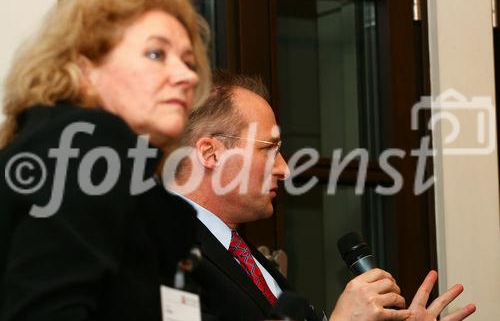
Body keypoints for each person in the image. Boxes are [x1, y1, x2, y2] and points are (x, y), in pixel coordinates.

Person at [171, 71, 476, 321]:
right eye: (268, 150)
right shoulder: (158, 250)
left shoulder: (245, 255)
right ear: (211, 153)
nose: (285, 169)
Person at [0, 0, 210, 320]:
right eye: (156, 54)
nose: (188, 76)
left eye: (189, 62)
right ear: (85, 71)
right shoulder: (84, 147)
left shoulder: (130, 178)